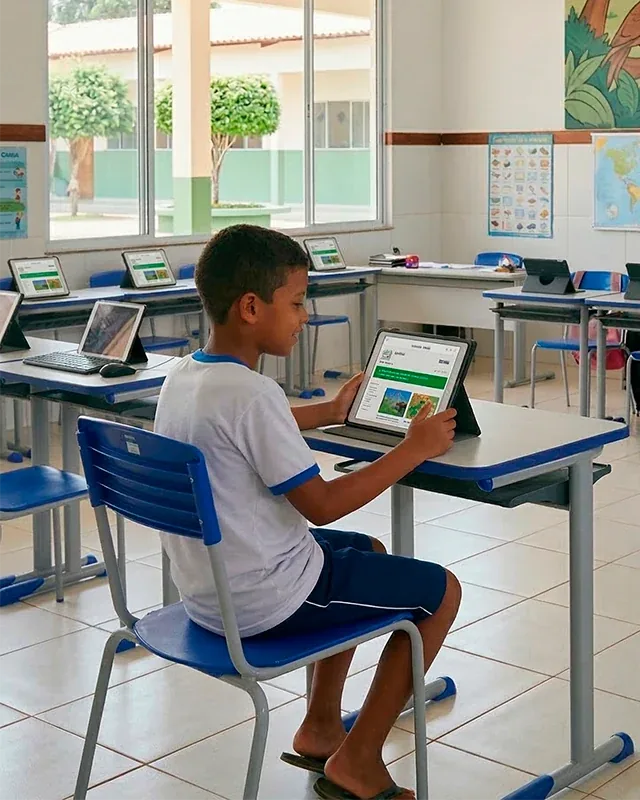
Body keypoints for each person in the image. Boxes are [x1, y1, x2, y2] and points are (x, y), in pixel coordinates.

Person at [154, 225, 461, 800]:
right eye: (296, 303)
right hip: (264, 603)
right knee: (440, 592)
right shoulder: (252, 395)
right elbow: (321, 505)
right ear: (251, 307)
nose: (303, 317)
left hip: (208, 595)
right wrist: (412, 449)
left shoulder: (186, 377)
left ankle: (320, 728)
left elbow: (241, 431)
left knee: (365, 551)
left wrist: (329, 410)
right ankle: (359, 760)